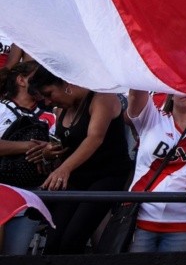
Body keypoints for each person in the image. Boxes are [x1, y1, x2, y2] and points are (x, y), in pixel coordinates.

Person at [26, 65, 132, 254]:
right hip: (77, 178)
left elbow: (95, 138)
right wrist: (49, 153)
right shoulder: (61, 110)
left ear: (66, 84)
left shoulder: (101, 97)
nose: (49, 102)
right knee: (54, 240)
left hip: (106, 176)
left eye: (49, 94)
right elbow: (65, 145)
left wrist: (64, 169)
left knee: (73, 239)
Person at [127, 91, 186, 253]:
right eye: (181, 88)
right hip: (141, 217)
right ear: (171, 94)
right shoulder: (152, 117)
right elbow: (136, 93)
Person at [0, 62, 55, 255]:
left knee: (15, 256)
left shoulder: (52, 116)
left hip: (29, 198)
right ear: (21, 80)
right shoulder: (0, 109)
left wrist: (48, 152)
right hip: (2, 192)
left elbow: (59, 152)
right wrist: (29, 146)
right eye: (36, 75)